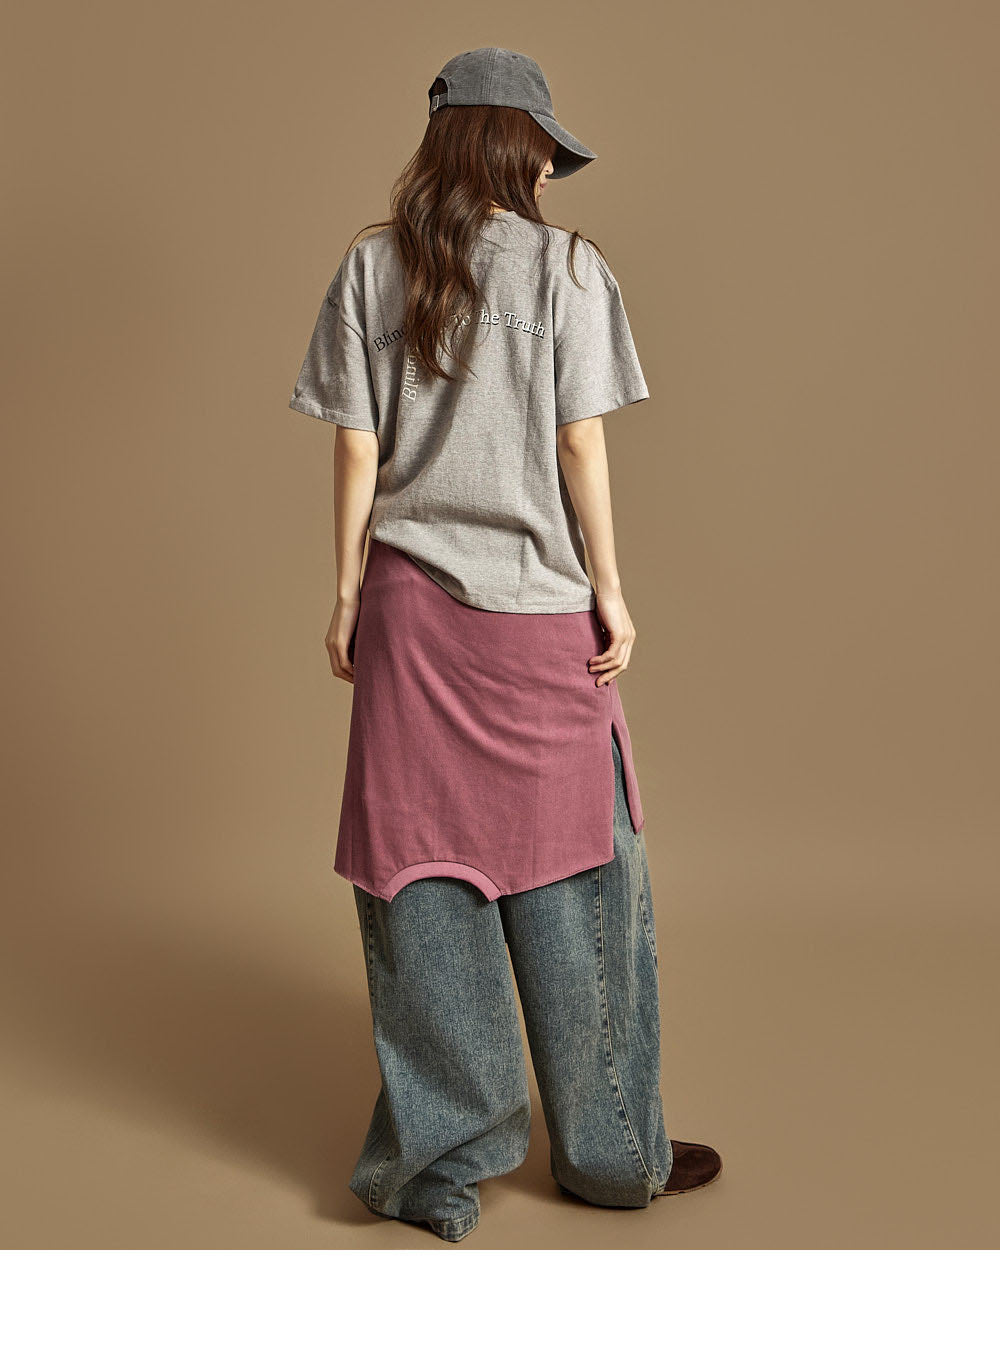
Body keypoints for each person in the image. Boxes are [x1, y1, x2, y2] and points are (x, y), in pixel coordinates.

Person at [288, 47, 722, 1243]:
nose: (545, 171)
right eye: (542, 151)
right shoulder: (569, 268)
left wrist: (345, 595)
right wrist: (611, 592)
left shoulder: (371, 265)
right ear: (521, 147)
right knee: (582, 876)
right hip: (538, 615)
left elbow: (355, 445)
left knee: (420, 879)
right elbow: (580, 443)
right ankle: (611, 1154)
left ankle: (441, 1165)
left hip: (410, 615)